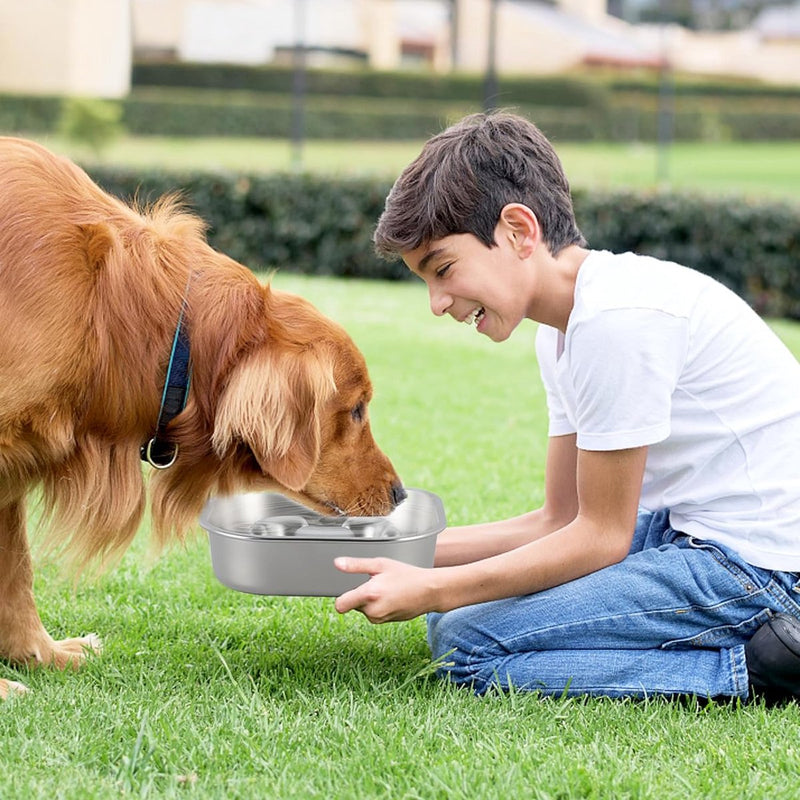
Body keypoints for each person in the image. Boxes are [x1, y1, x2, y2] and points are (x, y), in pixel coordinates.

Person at [333, 111, 800, 703]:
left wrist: (436, 589)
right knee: (458, 619)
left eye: (443, 269)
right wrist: (376, 550)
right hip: (684, 533)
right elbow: (560, 519)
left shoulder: (616, 322)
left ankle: (757, 670)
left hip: (761, 569)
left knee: (461, 643)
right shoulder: (565, 331)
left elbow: (601, 537)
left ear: (519, 231)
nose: (437, 302)